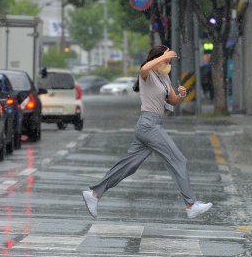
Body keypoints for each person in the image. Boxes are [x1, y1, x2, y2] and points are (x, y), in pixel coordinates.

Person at [82, 45, 212, 219]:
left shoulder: (164, 77)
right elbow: (144, 67)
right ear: (157, 58)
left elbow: (172, 101)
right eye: (166, 59)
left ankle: (95, 194)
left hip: (152, 124)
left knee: (128, 166)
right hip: (148, 125)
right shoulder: (147, 74)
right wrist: (160, 57)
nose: (168, 62)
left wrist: (181, 94)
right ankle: (191, 204)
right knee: (178, 159)